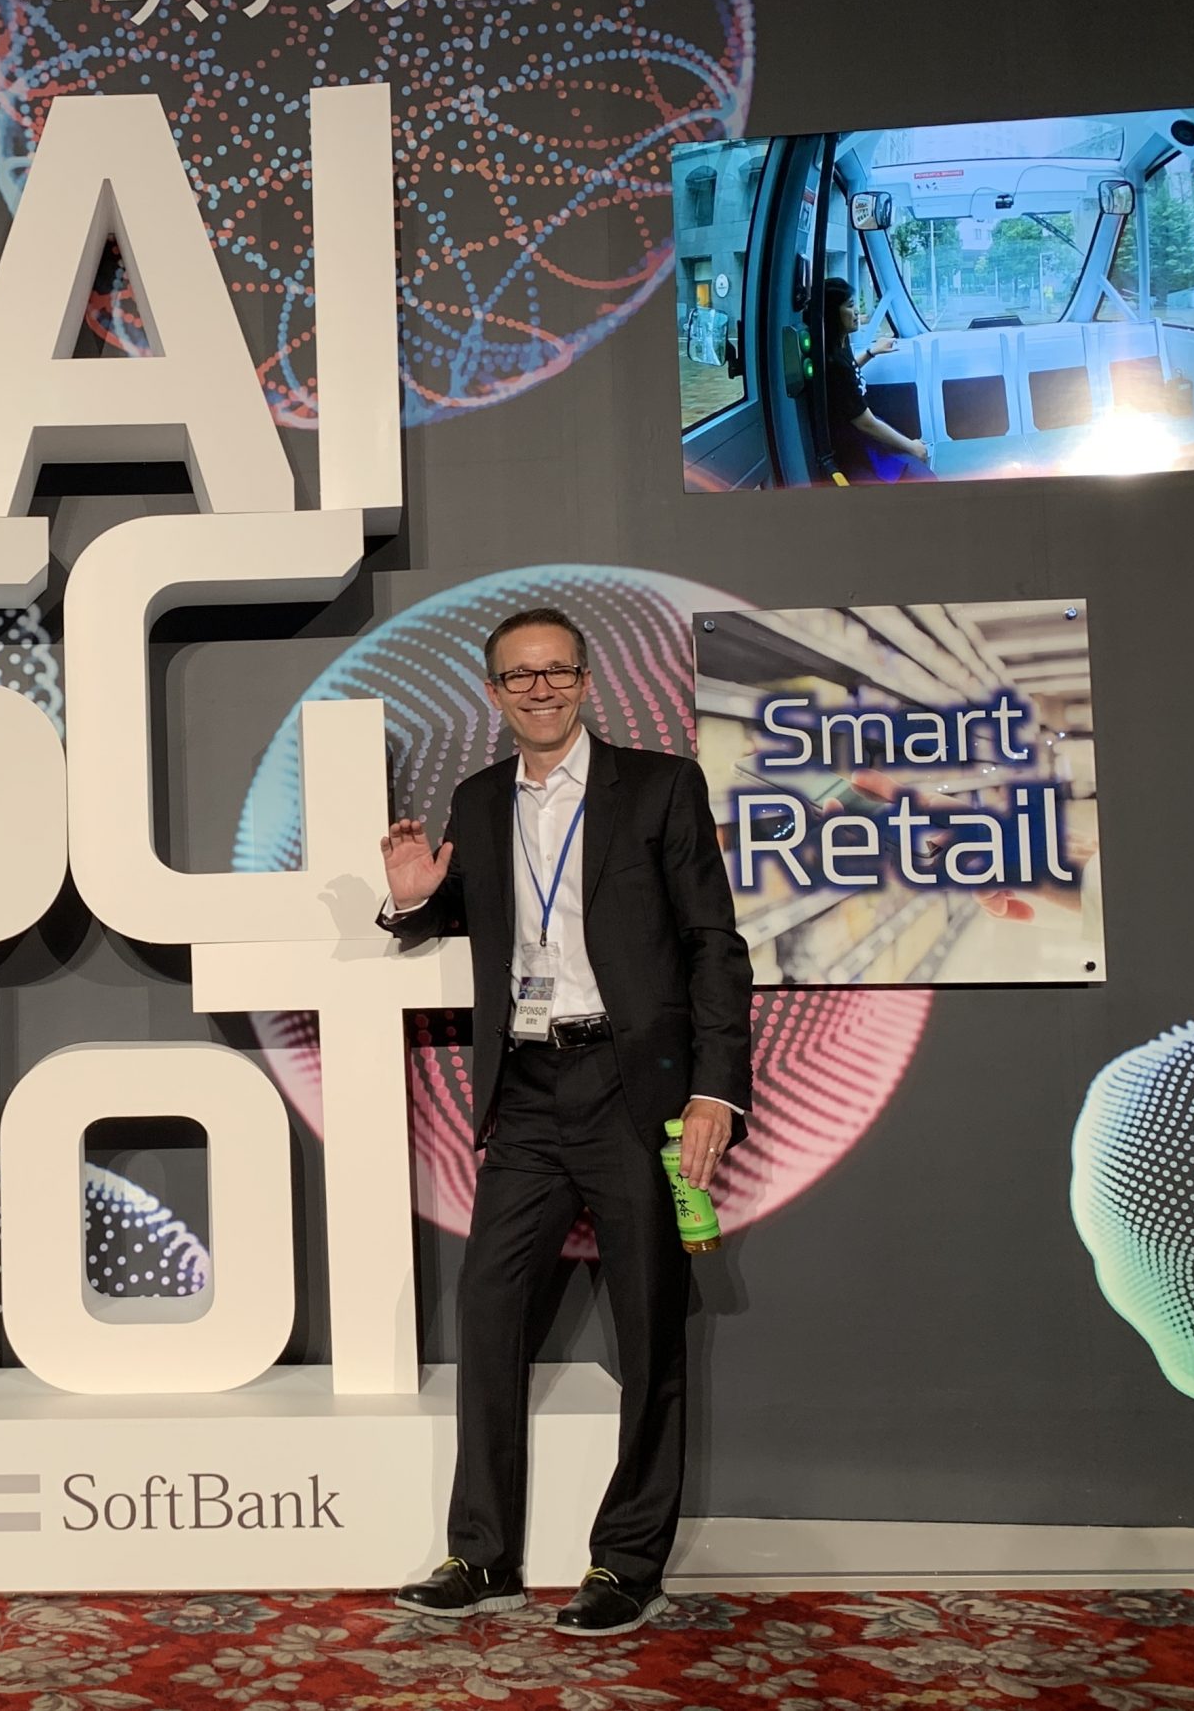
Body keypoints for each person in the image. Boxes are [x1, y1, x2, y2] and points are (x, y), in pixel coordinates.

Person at [381, 607, 753, 1635]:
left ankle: (626, 1559)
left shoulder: (660, 785)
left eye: (555, 670)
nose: (538, 688)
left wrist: (718, 1087)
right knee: (488, 1313)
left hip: (634, 1089)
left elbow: (713, 944)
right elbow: (481, 911)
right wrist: (413, 902)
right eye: (517, 675)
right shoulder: (478, 797)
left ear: (585, 681)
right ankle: (482, 1553)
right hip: (529, 1091)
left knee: (648, 1326)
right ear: (493, 693)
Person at [820, 277, 932, 483]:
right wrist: (911, 446)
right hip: (859, 445)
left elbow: (848, 374)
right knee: (926, 481)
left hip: (863, 436)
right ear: (831, 314)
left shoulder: (838, 347)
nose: (856, 312)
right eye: (850, 306)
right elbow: (865, 423)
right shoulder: (834, 362)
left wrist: (872, 352)